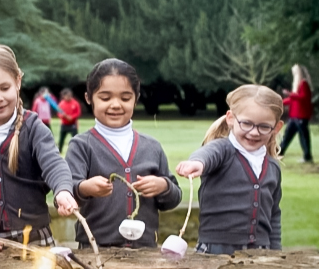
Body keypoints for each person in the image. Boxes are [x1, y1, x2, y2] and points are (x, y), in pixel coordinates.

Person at [0, 44, 77, 247]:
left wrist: (63, 190)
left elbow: (53, 163)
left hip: (34, 239)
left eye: (5, 88)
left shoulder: (33, 126)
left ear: (17, 82)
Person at [66, 59, 181, 248]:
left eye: (125, 98)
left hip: (145, 252)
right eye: (105, 98)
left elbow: (174, 197)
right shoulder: (81, 145)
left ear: (136, 98)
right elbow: (66, 191)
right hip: (96, 250)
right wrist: (85, 188)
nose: (116, 105)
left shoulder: (152, 147)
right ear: (89, 98)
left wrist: (163, 186)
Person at [175, 85, 284, 255]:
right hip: (216, 249)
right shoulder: (223, 150)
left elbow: (274, 216)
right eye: (246, 123)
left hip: (261, 251)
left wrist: (276, 253)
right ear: (231, 118)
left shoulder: (273, 168)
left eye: (264, 127)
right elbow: (208, 154)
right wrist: (197, 163)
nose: (254, 132)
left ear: (276, 128)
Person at [280, 64, 314, 163]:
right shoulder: (297, 85)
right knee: (287, 135)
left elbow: (303, 98)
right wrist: (280, 102)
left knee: (303, 136)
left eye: (295, 72)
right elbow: (293, 100)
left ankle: (307, 157)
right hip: (294, 116)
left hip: (301, 116)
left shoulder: (304, 84)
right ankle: (279, 153)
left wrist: (290, 94)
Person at [57, 88, 82, 153]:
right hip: (64, 124)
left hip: (73, 124)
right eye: (67, 96)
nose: (69, 97)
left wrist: (72, 117)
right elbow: (59, 113)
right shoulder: (61, 104)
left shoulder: (75, 103)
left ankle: (77, 151)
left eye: (70, 95)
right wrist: (63, 116)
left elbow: (78, 113)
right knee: (61, 139)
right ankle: (59, 151)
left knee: (75, 138)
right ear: (64, 96)